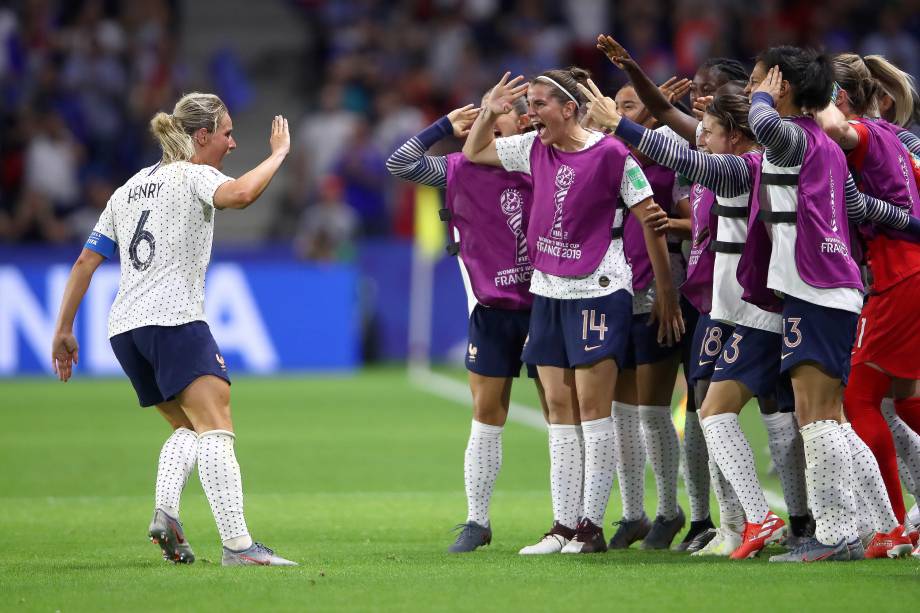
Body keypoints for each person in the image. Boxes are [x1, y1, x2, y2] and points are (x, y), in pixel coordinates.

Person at [50, 92, 295, 566]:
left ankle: (167, 515)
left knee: (188, 427)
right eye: (226, 133)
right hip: (175, 318)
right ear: (201, 136)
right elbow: (241, 194)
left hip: (126, 331)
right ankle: (239, 547)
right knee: (217, 426)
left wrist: (63, 327)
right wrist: (279, 154)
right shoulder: (194, 174)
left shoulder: (129, 187)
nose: (231, 142)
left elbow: (86, 260)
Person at [596, 35, 812, 555]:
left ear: (735, 135)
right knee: (727, 413)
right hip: (726, 308)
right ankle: (744, 524)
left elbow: (673, 146)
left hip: (749, 310)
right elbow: (676, 132)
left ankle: (794, 520)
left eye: (710, 130)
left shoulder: (741, 169)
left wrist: (619, 124)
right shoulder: (747, 160)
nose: (702, 138)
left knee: (777, 415)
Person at [464, 68, 684, 554]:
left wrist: (665, 290)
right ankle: (563, 525)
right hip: (548, 288)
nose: (530, 113)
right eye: (529, 105)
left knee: (592, 408)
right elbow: (475, 152)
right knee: (559, 410)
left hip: (600, 287)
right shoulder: (533, 149)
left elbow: (650, 215)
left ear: (568, 109)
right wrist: (488, 110)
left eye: (540, 104)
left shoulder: (612, 154)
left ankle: (590, 526)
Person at [742, 47, 920, 562]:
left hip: (818, 286)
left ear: (784, 87)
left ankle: (835, 533)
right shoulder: (828, 145)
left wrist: (761, 96)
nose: (761, 90)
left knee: (818, 416)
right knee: (833, 416)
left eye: (766, 80)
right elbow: (861, 206)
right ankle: (882, 523)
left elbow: (764, 124)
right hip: (832, 285)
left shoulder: (798, 136)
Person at [386, 98, 551, 553]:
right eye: (489, 134)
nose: (496, 144)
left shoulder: (546, 161)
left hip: (548, 304)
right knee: (487, 415)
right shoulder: (459, 168)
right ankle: (477, 521)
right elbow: (399, 163)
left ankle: (569, 521)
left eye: (505, 134)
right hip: (493, 310)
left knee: (559, 413)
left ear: (526, 126)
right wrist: (442, 124)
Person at [817, 52, 920, 558]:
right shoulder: (897, 142)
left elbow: (836, 127)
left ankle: (895, 526)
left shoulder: (863, 133)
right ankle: (903, 524)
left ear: (836, 97)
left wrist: (787, 103)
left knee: (858, 398)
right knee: (904, 399)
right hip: (906, 271)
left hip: (898, 277)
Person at [608, 82, 691, 551]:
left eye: (629, 105)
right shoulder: (606, 156)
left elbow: (694, 222)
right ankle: (632, 513)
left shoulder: (673, 161)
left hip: (657, 289)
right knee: (621, 412)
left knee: (653, 409)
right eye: (615, 105)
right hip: (612, 291)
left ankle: (668, 510)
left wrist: (667, 287)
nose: (617, 113)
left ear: (656, 114)